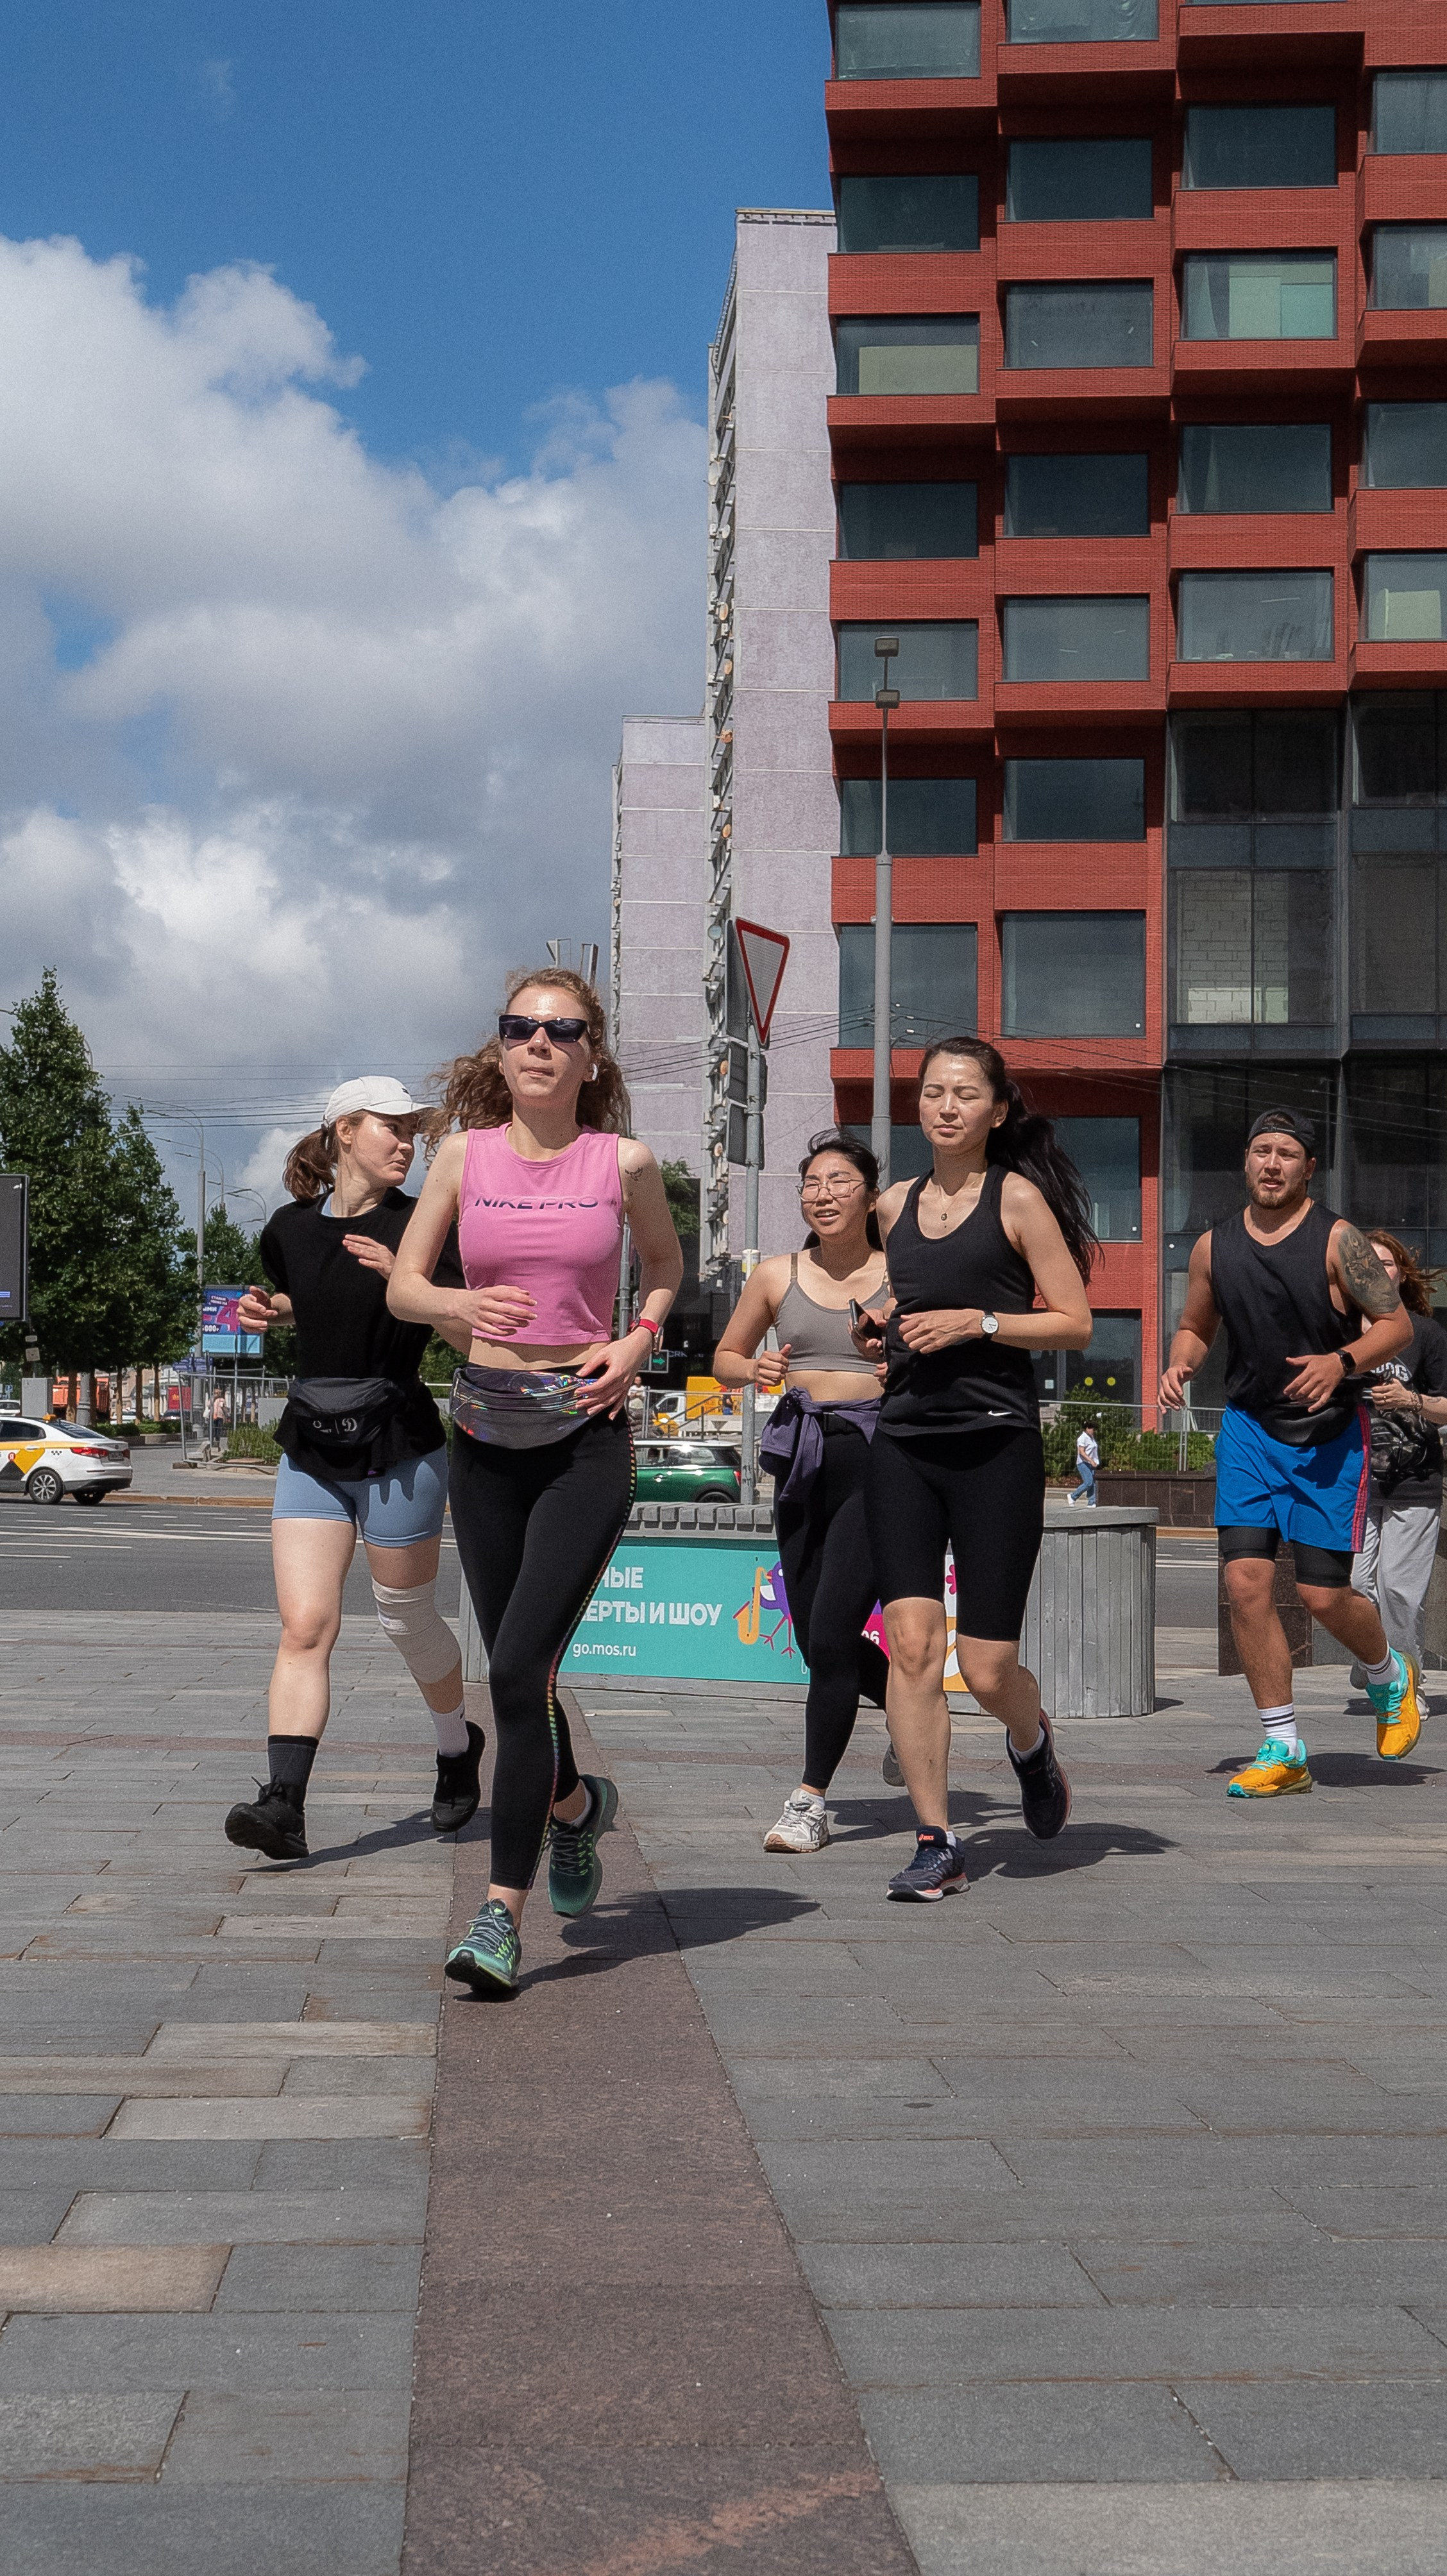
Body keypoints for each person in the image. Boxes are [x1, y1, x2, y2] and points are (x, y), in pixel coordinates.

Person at [388, 969, 682, 1997]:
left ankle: (498, 1916)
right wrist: (457, 1309)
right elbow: (404, 1283)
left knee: (516, 1676)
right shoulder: (461, 1156)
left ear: (591, 1053)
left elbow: (665, 1271)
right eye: (522, 1028)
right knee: (520, 1681)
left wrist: (640, 1339)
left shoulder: (625, 1162)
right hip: (482, 1433)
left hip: (584, 1439)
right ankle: (572, 1810)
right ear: (501, 1049)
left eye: (563, 1030)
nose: (541, 1043)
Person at [858, 1037, 1095, 1901]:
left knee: (988, 1668)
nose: (945, 1106)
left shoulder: (1019, 1199)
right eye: (932, 1093)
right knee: (912, 1647)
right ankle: (936, 1840)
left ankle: (1031, 1744)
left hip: (996, 1442)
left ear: (997, 1111)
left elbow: (1074, 1322)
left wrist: (980, 1324)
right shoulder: (891, 1206)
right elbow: (907, 1298)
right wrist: (881, 1322)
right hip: (906, 1442)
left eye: (965, 1094)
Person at [224, 1078, 478, 1866]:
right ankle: (285, 1804)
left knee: (405, 1617)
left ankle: (455, 1746)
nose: (407, 1142)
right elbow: (317, 1295)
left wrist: (410, 1278)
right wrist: (276, 1309)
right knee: (305, 1625)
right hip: (310, 1443)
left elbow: (472, 1334)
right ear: (343, 1130)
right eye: (392, 1127)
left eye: (414, 1131)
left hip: (399, 1440)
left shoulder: (424, 1224)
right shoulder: (288, 1229)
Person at [1159, 1108, 1417, 1799]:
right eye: (1261, 1151)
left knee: (1322, 1594)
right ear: (1246, 1161)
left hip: (1329, 1433)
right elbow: (1194, 1323)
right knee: (1244, 1582)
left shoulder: (1339, 1240)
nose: (1272, 1163)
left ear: (1309, 1168)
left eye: (1287, 1154)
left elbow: (1395, 1325)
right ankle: (1283, 1744)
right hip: (1248, 1428)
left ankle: (1391, 1674)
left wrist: (1341, 1360)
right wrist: (1180, 1362)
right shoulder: (1214, 1246)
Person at [713, 1130, 892, 1854]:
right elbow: (726, 1355)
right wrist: (753, 1368)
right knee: (824, 1638)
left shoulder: (901, 1272)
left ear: (871, 1195)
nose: (821, 1194)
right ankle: (916, 1712)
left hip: (882, 1457)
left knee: (827, 1631)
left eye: (839, 1180)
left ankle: (809, 1800)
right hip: (802, 1457)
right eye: (811, 1182)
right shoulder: (775, 1275)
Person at [1348, 1230, 1447, 1715]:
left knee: (1399, 1593)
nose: (1378, 1272)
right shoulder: (1338, 1333)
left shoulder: (1425, 1334)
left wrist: (1412, 1400)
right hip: (1352, 1482)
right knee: (1352, 1586)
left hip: (1414, 1482)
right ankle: (1376, 1658)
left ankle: (1408, 1687)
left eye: (1386, 1264)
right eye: (1367, 1264)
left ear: (1401, 1274)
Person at [1069, 1419, 1099, 1508]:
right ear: (1087, 1429)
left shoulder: (1091, 1438)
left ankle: (1091, 1502)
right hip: (1083, 1463)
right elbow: (1082, 1452)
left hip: (1091, 1464)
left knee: (1093, 1483)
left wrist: (1094, 1462)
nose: (1093, 1431)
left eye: (1094, 1429)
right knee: (1088, 1482)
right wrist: (1091, 1461)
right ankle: (1073, 1496)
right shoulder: (1082, 1438)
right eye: (1091, 1428)